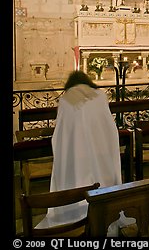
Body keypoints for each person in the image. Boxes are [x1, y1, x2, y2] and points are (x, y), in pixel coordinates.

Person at [36, 70, 135, 233]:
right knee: (101, 178)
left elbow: (61, 133)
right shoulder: (100, 95)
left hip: (76, 152)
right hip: (101, 150)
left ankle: (77, 211)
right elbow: (109, 126)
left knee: (78, 177)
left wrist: (63, 147)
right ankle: (105, 210)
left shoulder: (67, 99)